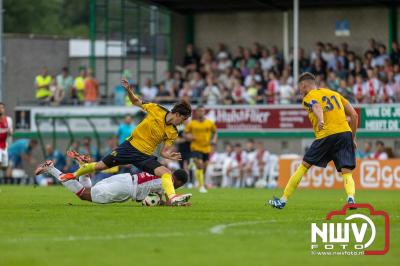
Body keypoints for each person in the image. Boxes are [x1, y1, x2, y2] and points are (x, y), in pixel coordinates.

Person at [59, 79, 192, 206]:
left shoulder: (173, 132)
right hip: (129, 147)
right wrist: (129, 91)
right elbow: (135, 101)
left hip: (144, 156)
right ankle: (73, 174)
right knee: (100, 166)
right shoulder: (156, 109)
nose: (182, 123)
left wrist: (168, 155)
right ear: (178, 114)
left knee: (166, 173)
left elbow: (163, 151)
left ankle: (173, 198)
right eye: (183, 119)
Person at [268, 72, 359, 209]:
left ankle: (282, 200)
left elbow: (316, 107)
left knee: (304, 166)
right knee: (346, 171)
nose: (300, 90)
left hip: (326, 134)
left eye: (300, 87)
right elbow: (354, 115)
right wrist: (352, 138)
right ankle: (351, 199)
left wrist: (321, 120)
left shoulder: (308, 97)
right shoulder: (334, 94)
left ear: (304, 85)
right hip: (344, 133)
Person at [35, 160, 190, 206]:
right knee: (84, 195)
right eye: (178, 185)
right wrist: (178, 202)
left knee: (90, 189)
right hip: (126, 188)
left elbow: (157, 197)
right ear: (177, 180)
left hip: (125, 179)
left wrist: (160, 202)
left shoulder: (162, 170)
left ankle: (84, 169)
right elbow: (169, 199)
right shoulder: (168, 179)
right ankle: (51, 169)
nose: (175, 188)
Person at [185, 105, 217, 193]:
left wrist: (214, 139)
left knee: (204, 167)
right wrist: (189, 137)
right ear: (196, 112)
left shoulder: (209, 123)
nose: (201, 112)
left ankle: (199, 181)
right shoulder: (192, 123)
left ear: (204, 112)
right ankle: (201, 186)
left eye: (202, 111)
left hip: (206, 148)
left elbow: (215, 132)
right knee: (200, 164)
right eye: (199, 111)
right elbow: (186, 133)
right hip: (195, 147)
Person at [0, 103, 13, 184]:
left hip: (4, 145)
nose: (1, 109)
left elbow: (11, 133)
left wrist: (9, 132)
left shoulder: (8, 120)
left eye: (2, 107)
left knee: (4, 167)